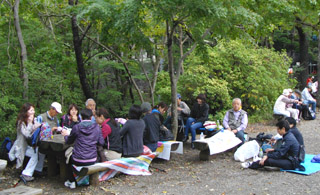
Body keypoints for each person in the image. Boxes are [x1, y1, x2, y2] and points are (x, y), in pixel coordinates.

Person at [61, 108, 104, 189]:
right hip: (92, 158)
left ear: (81, 116)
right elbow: (101, 142)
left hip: (78, 159)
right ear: (91, 117)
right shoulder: (97, 127)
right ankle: (76, 181)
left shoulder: (76, 127)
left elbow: (69, 141)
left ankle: (71, 180)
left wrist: (65, 135)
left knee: (67, 157)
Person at [8, 103, 43, 182]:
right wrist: (30, 123)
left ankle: (34, 171)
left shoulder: (33, 120)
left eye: (33, 110)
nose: (33, 112)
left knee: (39, 152)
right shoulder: (21, 122)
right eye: (31, 110)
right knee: (35, 154)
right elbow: (27, 134)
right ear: (26, 111)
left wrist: (37, 123)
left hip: (29, 146)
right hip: (21, 147)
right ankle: (26, 174)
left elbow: (38, 128)